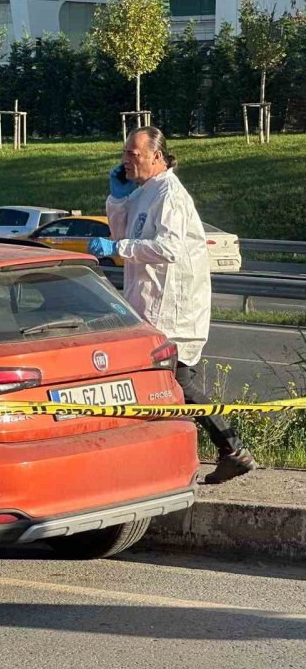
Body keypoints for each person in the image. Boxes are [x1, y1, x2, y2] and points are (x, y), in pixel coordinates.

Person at [89, 126, 257, 484]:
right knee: (164, 383)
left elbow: (168, 248)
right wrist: (117, 199)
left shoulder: (170, 196)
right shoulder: (144, 193)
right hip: (149, 303)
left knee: (176, 380)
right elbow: (123, 235)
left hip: (174, 307)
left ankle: (229, 450)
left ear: (157, 156)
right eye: (124, 154)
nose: (126, 161)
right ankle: (213, 453)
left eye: (134, 154)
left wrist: (116, 250)